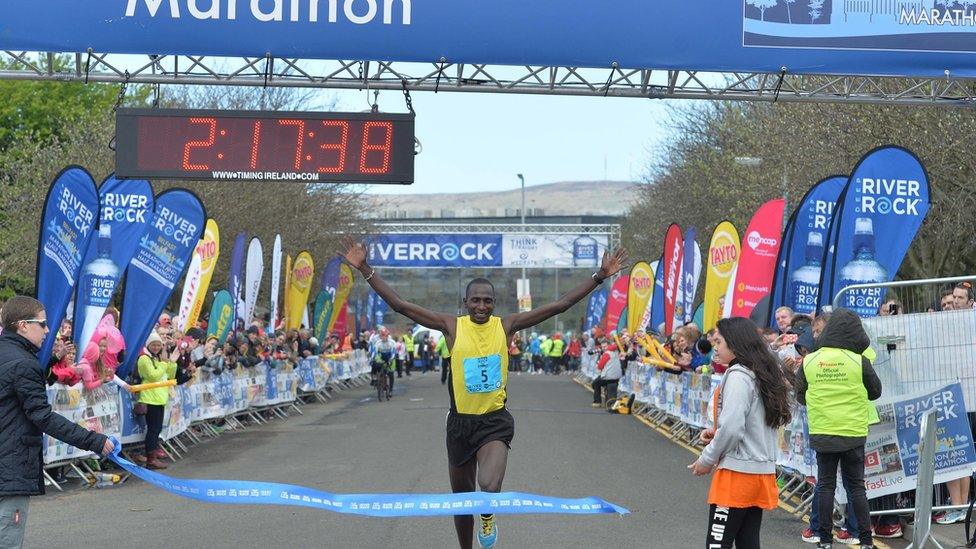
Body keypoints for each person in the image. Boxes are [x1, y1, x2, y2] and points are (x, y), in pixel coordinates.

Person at [339, 237, 627, 549]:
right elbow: (400, 305)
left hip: (494, 422)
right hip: (460, 424)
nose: (481, 306)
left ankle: (488, 514)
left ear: (494, 303)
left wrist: (599, 277)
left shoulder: (506, 326)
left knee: (488, 485)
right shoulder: (451, 326)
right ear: (466, 303)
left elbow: (560, 305)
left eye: (487, 301)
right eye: (475, 300)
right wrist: (365, 268)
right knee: (462, 502)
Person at [0, 296, 114, 548]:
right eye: (42, 323)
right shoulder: (23, 363)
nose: (48, 330)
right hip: (9, 466)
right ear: (22, 325)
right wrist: (94, 441)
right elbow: (43, 417)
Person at [689, 317, 792, 549]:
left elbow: (733, 428)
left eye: (719, 341)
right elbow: (747, 423)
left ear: (735, 344)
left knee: (717, 543)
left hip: (738, 473)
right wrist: (717, 432)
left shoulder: (738, 376)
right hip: (759, 472)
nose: (715, 346)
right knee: (747, 542)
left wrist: (707, 458)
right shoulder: (760, 373)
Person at [795, 308, 882, 549]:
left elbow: (800, 395)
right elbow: (876, 392)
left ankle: (824, 539)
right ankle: (865, 540)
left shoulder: (810, 360)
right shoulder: (858, 360)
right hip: (853, 432)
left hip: (823, 431)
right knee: (856, 487)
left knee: (825, 485)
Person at [134, 331, 180, 470]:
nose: (156, 347)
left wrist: (171, 362)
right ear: (148, 345)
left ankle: (152, 457)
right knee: (153, 430)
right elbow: (153, 376)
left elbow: (169, 375)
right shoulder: (144, 359)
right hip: (149, 399)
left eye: (158, 345)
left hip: (160, 399)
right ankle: (151, 459)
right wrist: (164, 363)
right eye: (153, 345)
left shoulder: (157, 359)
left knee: (157, 429)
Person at [591, 343, 622, 407]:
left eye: (605, 346)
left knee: (595, 383)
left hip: (608, 377)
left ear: (608, 346)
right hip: (617, 377)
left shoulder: (607, 353)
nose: (603, 348)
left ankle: (597, 402)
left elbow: (600, 366)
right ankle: (609, 402)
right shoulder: (616, 352)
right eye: (602, 347)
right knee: (606, 384)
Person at [370, 328, 396, 400]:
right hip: (382, 356)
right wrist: (372, 359)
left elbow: (393, 353)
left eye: (385, 336)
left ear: (387, 336)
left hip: (390, 356)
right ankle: (377, 379)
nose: (383, 337)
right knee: (376, 363)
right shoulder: (378, 343)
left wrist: (391, 360)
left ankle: (390, 390)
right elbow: (374, 352)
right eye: (382, 336)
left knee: (390, 373)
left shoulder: (392, 342)